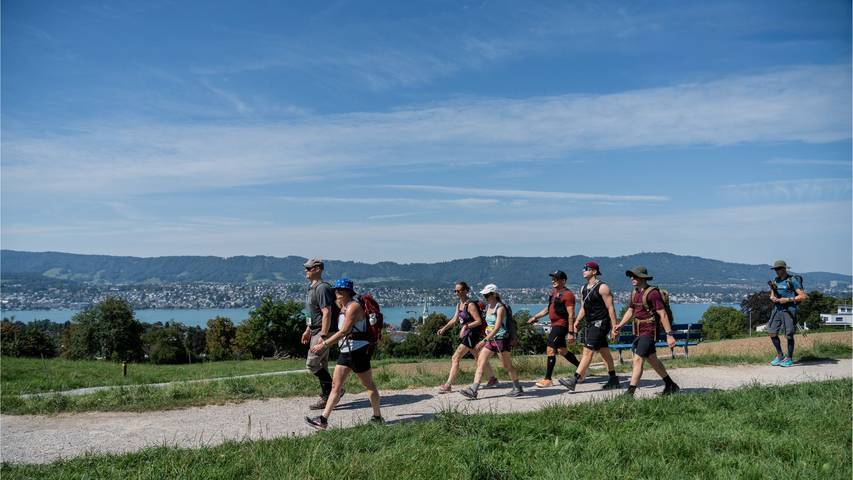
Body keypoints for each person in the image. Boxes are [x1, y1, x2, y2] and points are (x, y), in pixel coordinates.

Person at [305, 278, 383, 430]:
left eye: (340, 290)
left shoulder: (354, 307)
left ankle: (377, 416)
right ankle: (323, 420)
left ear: (348, 292)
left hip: (358, 351)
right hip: (346, 351)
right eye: (336, 290)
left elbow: (344, 331)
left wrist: (324, 344)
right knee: (336, 386)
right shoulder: (343, 307)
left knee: (369, 385)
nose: (337, 293)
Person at [610, 266, 679, 396]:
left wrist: (669, 335)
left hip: (649, 331)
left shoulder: (653, 293)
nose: (632, 278)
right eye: (631, 276)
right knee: (652, 359)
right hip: (638, 331)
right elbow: (630, 311)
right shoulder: (634, 293)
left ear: (642, 277)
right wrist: (620, 325)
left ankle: (630, 393)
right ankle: (671, 385)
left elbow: (662, 314)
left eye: (635, 276)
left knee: (638, 359)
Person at [557, 261, 620, 391]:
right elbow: (584, 308)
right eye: (583, 268)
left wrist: (614, 328)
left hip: (601, 323)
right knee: (604, 351)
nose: (583, 270)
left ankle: (574, 380)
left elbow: (611, 308)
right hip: (590, 323)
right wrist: (577, 321)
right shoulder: (583, 288)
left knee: (587, 351)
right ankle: (613, 378)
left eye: (586, 268)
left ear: (594, 272)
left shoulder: (603, 288)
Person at [460, 284, 524, 399]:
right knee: (480, 362)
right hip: (490, 340)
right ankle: (473, 390)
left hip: (501, 340)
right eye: (484, 295)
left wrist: (484, 340)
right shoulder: (488, 306)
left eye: (487, 294)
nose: (485, 296)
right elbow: (489, 324)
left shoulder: (500, 308)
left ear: (494, 294)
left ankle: (517, 387)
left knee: (507, 365)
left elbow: (497, 327)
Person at [436, 282, 498, 393]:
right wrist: (444, 328)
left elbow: (478, 321)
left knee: (455, 357)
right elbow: (455, 319)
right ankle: (492, 378)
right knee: (479, 357)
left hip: (471, 335)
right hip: (468, 334)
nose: (457, 293)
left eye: (459, 290)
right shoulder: (459, 305)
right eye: (455, 291)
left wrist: (466, 326)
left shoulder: (470, 305)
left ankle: (448, 385)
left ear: (466, 291)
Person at [526, 270, 581, 387]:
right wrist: (535, 317)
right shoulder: (553, 293)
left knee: (550, 349)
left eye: (556, 279)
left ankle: (548, 379)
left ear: (563, 281)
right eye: (553, 278)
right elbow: (548, 309)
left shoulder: (568, 295)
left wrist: (571, 332)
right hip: (555, 325)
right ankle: (582, 369)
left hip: (562, 325)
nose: (553, 280)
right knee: (562, 350)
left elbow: (571, 314)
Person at [300, 258, 338, 410]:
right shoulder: (312, 288)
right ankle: (327, 396)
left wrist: (323, 335)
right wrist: (308, 330)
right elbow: (312, 312)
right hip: (315, 329)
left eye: (308, 268)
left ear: (317, 269)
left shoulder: (322, 288)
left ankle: (336, 390)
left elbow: (326, 312)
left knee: (312, 363)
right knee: (322, 365)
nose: (306, 271)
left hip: (323, 331)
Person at [767, 260, 807, 367]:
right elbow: (773, 294)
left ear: (784, 269)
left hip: (789, 310)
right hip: (777, 309)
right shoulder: (776, 280)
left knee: (789, 335)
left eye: (779, 269)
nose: (777, 271)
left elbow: (803, 296)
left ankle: (789, 358)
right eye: (775, 269)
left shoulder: (792, 280)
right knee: (771, 332)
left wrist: (787, 299)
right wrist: (772, 297)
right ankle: (780, 355)